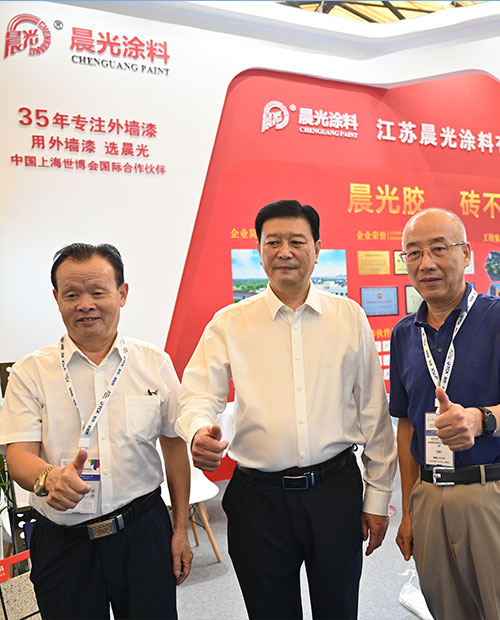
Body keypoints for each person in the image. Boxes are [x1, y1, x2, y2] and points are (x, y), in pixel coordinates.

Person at [175, 200, 397, 620]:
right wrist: (199, 429)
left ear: (317, 248)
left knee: (339, 609)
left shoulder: (348, 317)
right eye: (273, 242)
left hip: (334, 493)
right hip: (258, 500)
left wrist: (377, 497)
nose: (285, 252)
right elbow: (197, 395)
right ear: (259, 251)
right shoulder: (230, 322)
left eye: (296, 241)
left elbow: (374, 414)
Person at [0, 243, 192, 620]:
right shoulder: (30, 371)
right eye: (72, 294)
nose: (85, 304)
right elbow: (18, 454)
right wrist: (48, 478)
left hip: (142, 531)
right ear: (57, 299)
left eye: (98, 292)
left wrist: (181, 528)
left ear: (122, 294)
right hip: (64, 543)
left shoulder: (153, 362)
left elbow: (173, 445)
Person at [390, 208, 500, 620]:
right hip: (430, 499)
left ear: (467, 253)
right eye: (414, 253)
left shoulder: (495, 318)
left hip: (490, 493)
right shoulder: (404, 334)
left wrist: (481, 420)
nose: (426, 263)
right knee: (446, 610)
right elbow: (406, 424)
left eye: (439, 249)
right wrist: (409, 509)